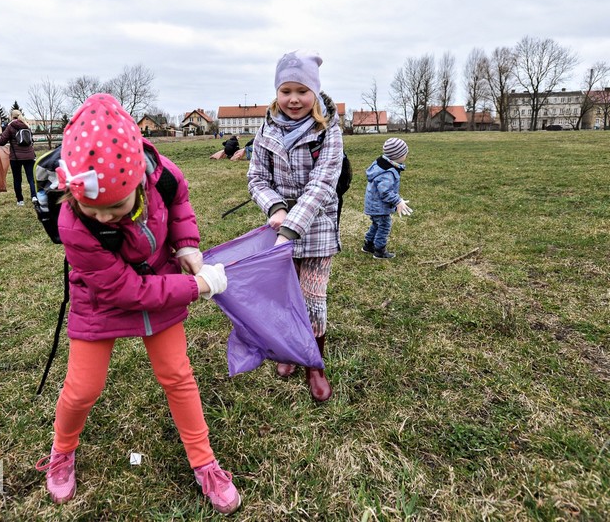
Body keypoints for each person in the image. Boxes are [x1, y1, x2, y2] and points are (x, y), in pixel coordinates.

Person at [34, 94, 241, 515]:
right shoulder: (73, 225)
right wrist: (197, 286)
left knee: (178, 375)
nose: (107, 218)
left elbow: (179, 198)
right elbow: (125, 292)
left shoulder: (160, 173)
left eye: (116, 207)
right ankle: (61, 451)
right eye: (95, 209)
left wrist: (187, 244)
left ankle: (204, 462)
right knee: (82, 389)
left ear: (138, 184)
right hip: (102, 301)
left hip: (161, 277)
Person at [247, 50, 343, 403]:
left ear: (314, 92)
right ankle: (289, 349)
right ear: (276, 93)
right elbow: (256, 177)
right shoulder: (266, 129)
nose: (293, 99)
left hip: (316, 228)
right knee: (286, 294)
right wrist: (274, 206)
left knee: (312, 299)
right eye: (285, 90)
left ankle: (313, 363)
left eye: (301, 91)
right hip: (278, 226)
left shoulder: (327, 131)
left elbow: (321, 185)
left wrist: (291, 227)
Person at [362, 138, 413, 259]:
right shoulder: (388, 172)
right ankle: (379, 250)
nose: (406, 155)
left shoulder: (382, 164)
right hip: (378, 206)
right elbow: (385, 191)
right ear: (397, 155)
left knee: (376, 223)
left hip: (374, 204)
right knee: (384, 225)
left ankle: (368, 245)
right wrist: (397, 201)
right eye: (405, 153)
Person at [0, 109, 36, 206]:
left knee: (17, 179)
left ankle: (20, 200)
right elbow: (32, 141)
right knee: (31, 178)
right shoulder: (27, 125)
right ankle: (34, 196)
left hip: (16, 158)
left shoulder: (10, 126)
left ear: (11, 116)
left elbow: (2, 141)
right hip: (29, 156)